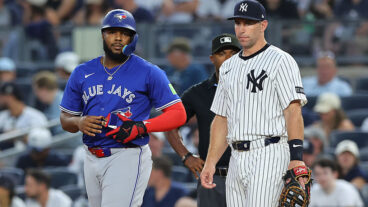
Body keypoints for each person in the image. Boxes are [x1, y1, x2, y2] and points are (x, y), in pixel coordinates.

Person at [59, 9, 186, 207]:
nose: (118, 38)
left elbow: (178, 114)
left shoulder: (149, 72)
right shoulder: (82, 72)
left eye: (125, 33)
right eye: (112, 32)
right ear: (103, 34)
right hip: (91, 155)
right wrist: (78, 122)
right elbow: (65, 119)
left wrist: (142, 126)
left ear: (133, 38)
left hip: (126, 154)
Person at [200, 1, 308, 206]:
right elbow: (222, 118)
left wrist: (297, 156)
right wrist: (210, 162)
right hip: (236, 157)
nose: (241, 29)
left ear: (263, 25)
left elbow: (293, 111)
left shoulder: (280, 60)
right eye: (238, 23)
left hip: (270, 151)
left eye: (248, 23)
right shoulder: (228, 67)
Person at [166, 33, 241, 207]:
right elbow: (170, 126)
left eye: (233, 54)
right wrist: (186, 156)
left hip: (248, 175)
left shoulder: (254, 90)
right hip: (213, 178)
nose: (228, 59)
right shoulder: (197, 93)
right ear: (212, 58)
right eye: (222, 54)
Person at [0, 82, 47, 150]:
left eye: (1, 96)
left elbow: (42, 142)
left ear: (9, 97)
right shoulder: (2, 116)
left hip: (29, 157)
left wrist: (17, 135)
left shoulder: (36, 116)